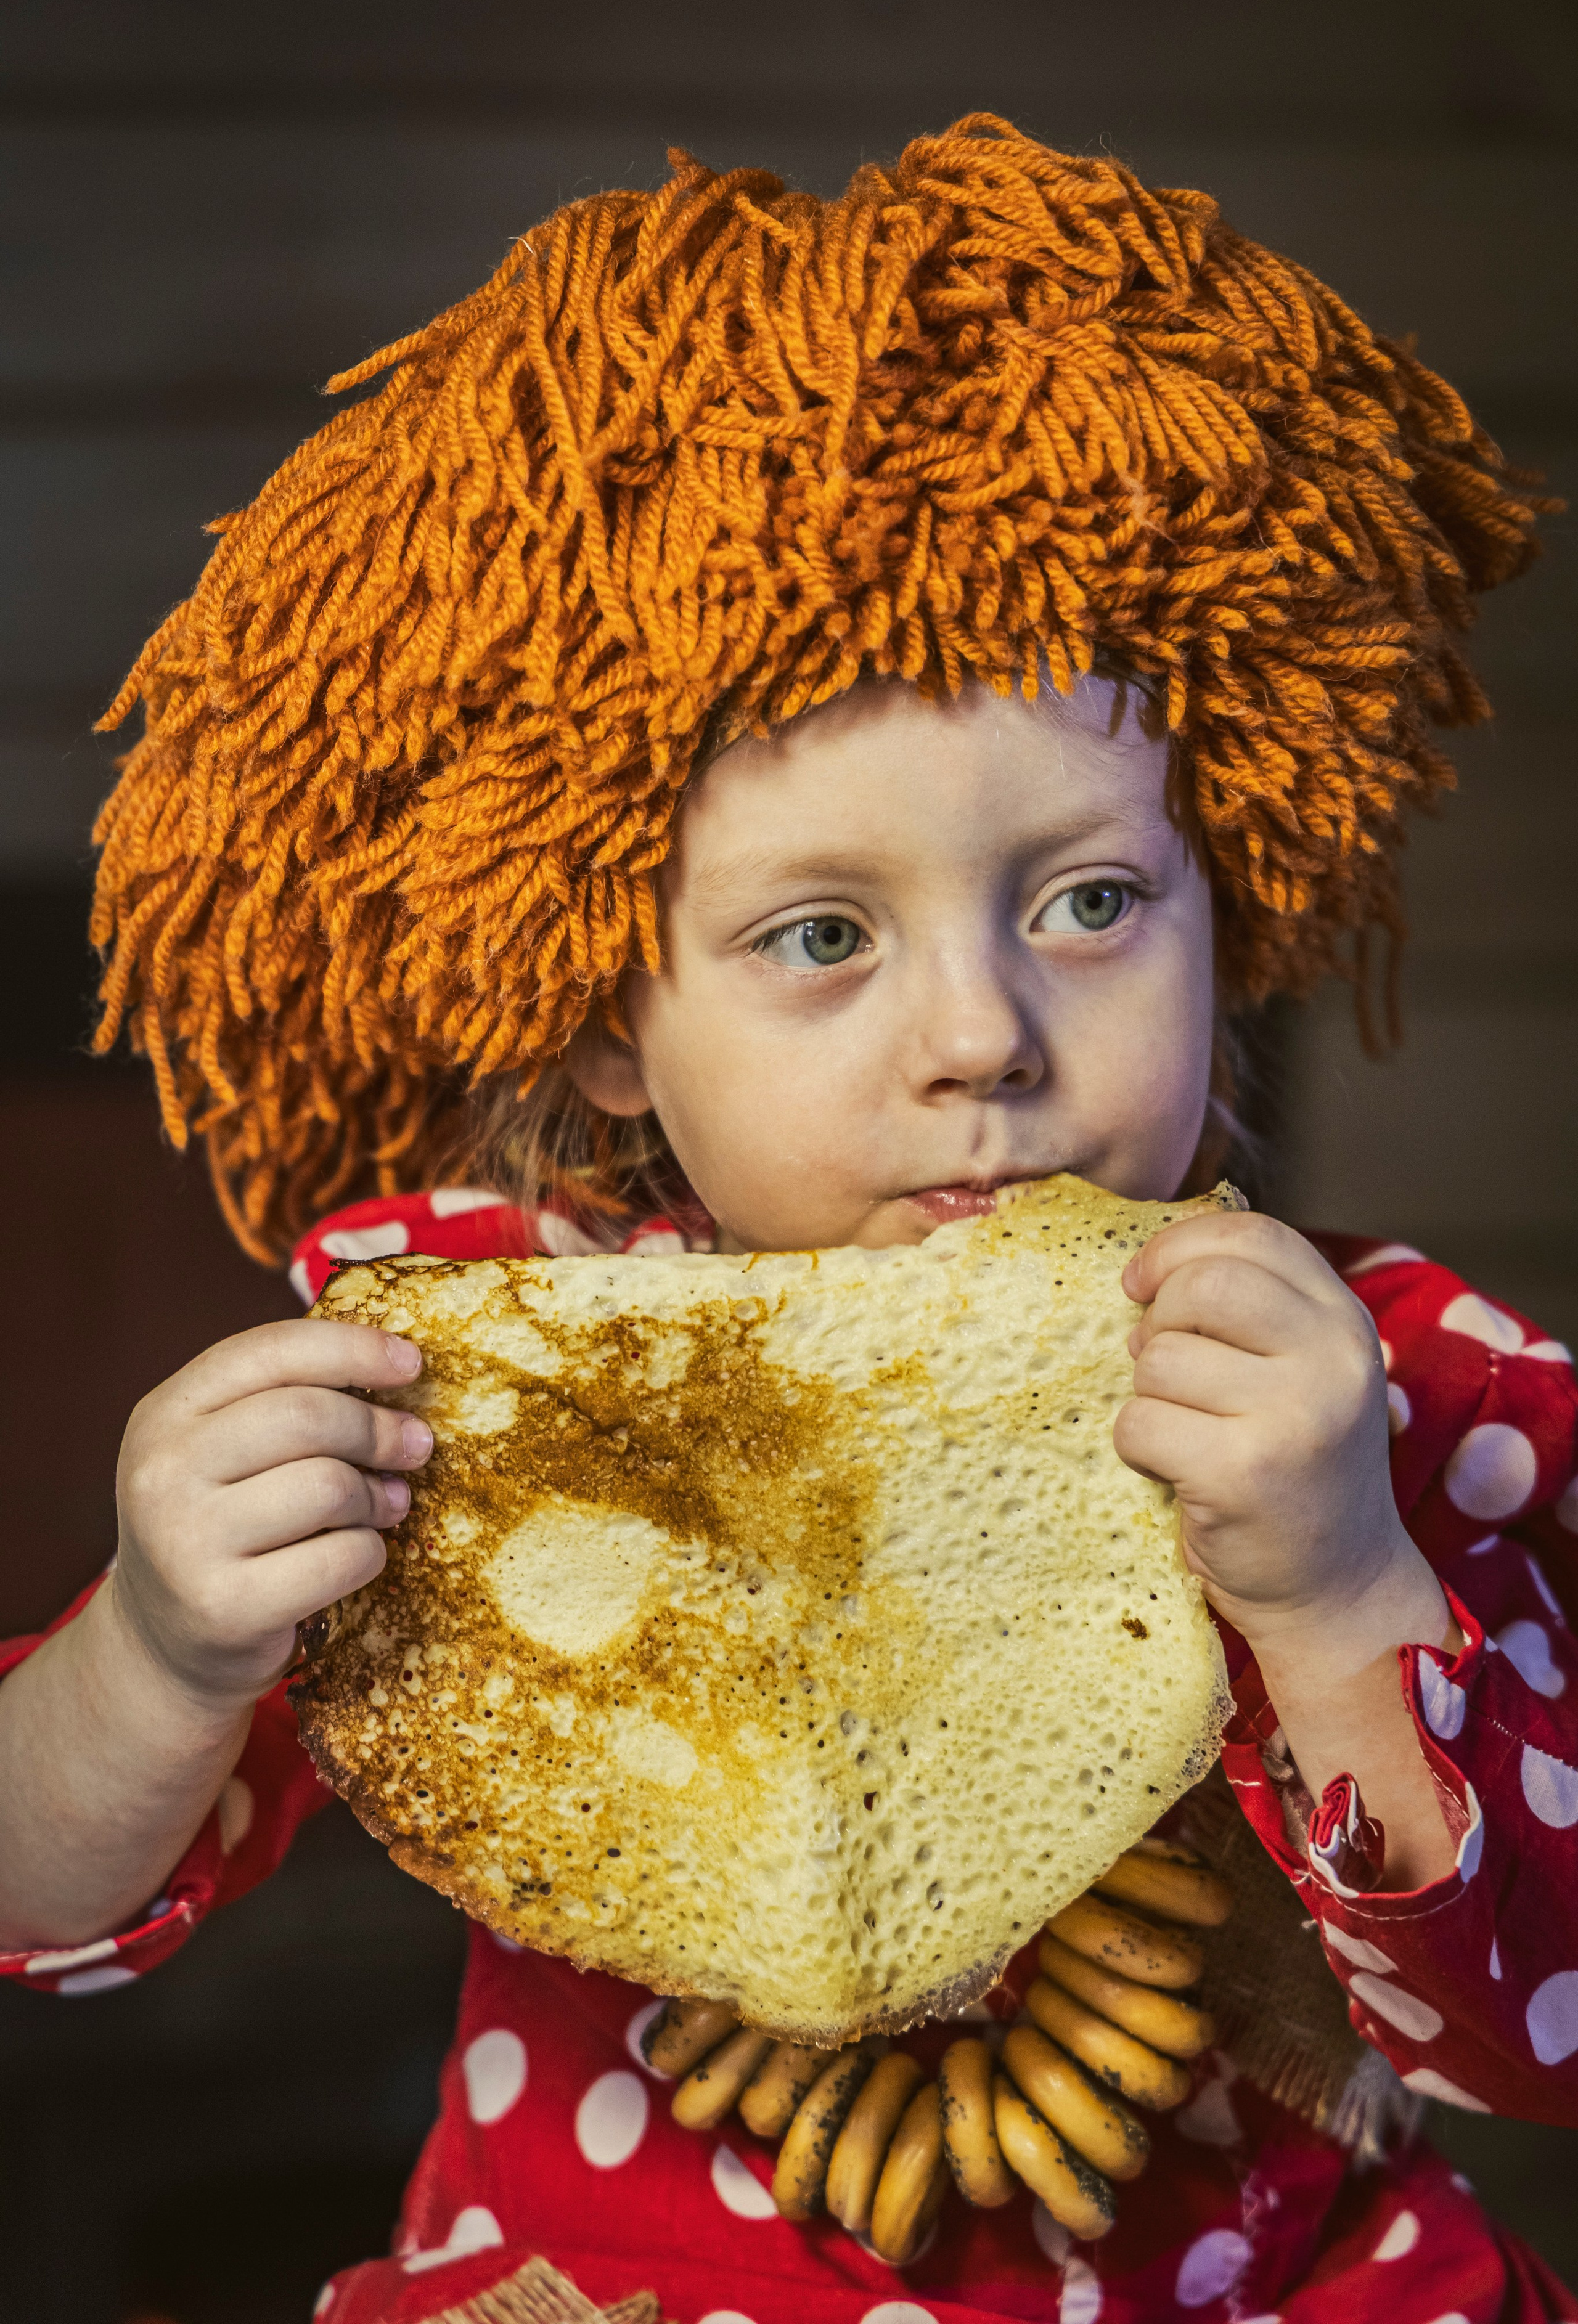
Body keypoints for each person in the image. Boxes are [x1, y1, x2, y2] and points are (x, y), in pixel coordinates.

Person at [1, 116, 1574, 2324]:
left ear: (1231, 907)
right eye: (822, 933)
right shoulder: (471, 1377)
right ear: (611, 1026)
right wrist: (160, 1652)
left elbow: (1537, 2041)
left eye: (1094, 899)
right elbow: (36, 1902)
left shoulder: (1367, 1395)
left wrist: (1339, 1588)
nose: (983, 1035)